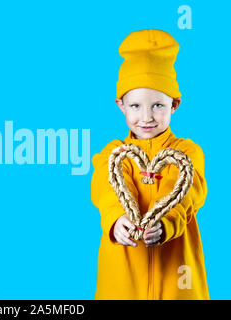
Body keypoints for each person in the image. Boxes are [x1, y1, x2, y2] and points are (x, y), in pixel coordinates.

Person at [91, 29, 209, 299]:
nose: (146, 117)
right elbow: (106, 188)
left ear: (175, 104)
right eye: (135, 106)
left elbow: (186, 191)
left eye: (157, 105)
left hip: (176, 277)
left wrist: (167, 221)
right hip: (123, 275)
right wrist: (115, 218)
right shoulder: (113, 153)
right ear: (120, 105)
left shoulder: (187, 152)